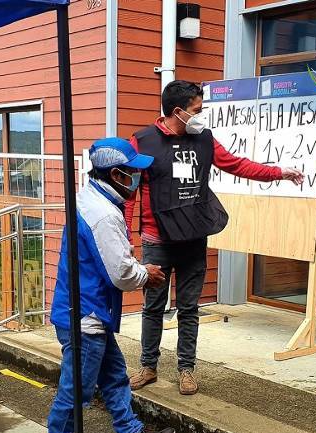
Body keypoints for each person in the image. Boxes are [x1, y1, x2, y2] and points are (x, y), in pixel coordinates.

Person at [125, 80, 304, 395]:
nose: (201, 115)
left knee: (189, 308)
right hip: (158, 241)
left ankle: (186, 370)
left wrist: (279, 172)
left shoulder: (204, 139)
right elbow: (129, 194)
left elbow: (236, 165)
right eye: (197, 110)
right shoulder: (142, 143)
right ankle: (148, 366)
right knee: (153, 307)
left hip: (193, 236)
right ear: (178, 112)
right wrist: (126, 237)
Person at [42, 137, 175, 433]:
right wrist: (148, 273)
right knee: (76, 391)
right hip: (86, 316)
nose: (138, 178)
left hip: (86, 312)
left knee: (115, 377)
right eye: (133, 172)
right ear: (117, 174)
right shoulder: (103, 214)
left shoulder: (90, 199)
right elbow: (121, 274)